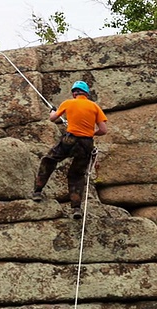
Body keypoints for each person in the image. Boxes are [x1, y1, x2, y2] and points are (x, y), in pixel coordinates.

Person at [32, 81, 108, 219]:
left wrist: (53, 111)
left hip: (70, 140)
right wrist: (91, 133)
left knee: (49, 160)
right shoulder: (95, 107)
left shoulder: (68, 103)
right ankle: (76, 209)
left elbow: (53, 119)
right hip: (86, 143)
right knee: (77, 175)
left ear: (74, 93)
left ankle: (37, 191)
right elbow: (103, 130)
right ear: (86, 94)